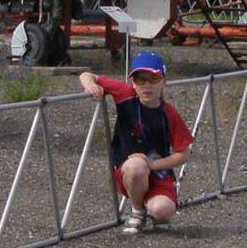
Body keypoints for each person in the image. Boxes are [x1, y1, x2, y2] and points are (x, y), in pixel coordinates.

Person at [78, 51, 195, 234]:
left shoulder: (169, 113)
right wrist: (90, 85)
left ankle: (157, 211)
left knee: (162, 209)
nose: (146, 85)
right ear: (133, 82)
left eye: (153, 79)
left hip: (158, 172)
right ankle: (138, 211)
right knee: (136, 166)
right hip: (129, 171)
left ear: (163, 81)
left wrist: (153, 164)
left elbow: (184, 153)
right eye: (140, 80)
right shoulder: (125, 94)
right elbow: (86, 75)